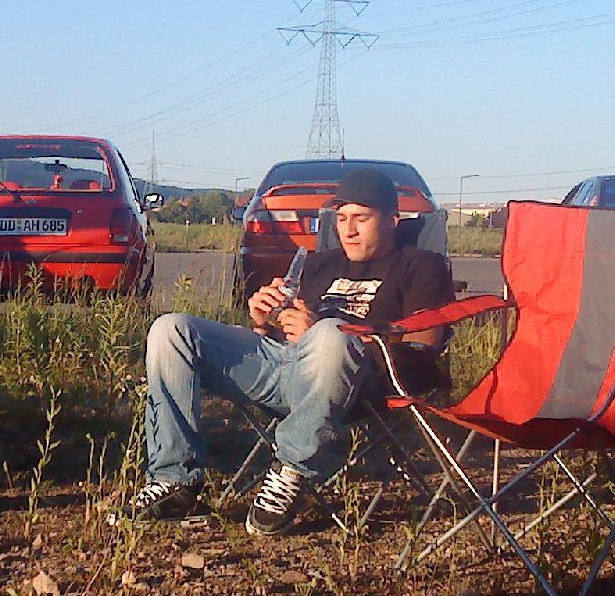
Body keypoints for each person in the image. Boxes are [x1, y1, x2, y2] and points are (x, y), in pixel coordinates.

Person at [124, 168, 455, 537]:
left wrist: (326, 331)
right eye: (341, 218)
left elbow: (426, 343)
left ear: (392, 220)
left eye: (361, 218)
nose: (348, 230)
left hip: (361, 381)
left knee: (332, 333)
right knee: (171, 330)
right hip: (288, 365)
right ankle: (175, 480)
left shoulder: (422, 265)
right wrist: (263, 320)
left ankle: (292, 470)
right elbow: (282, 335)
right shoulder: (320, 263)